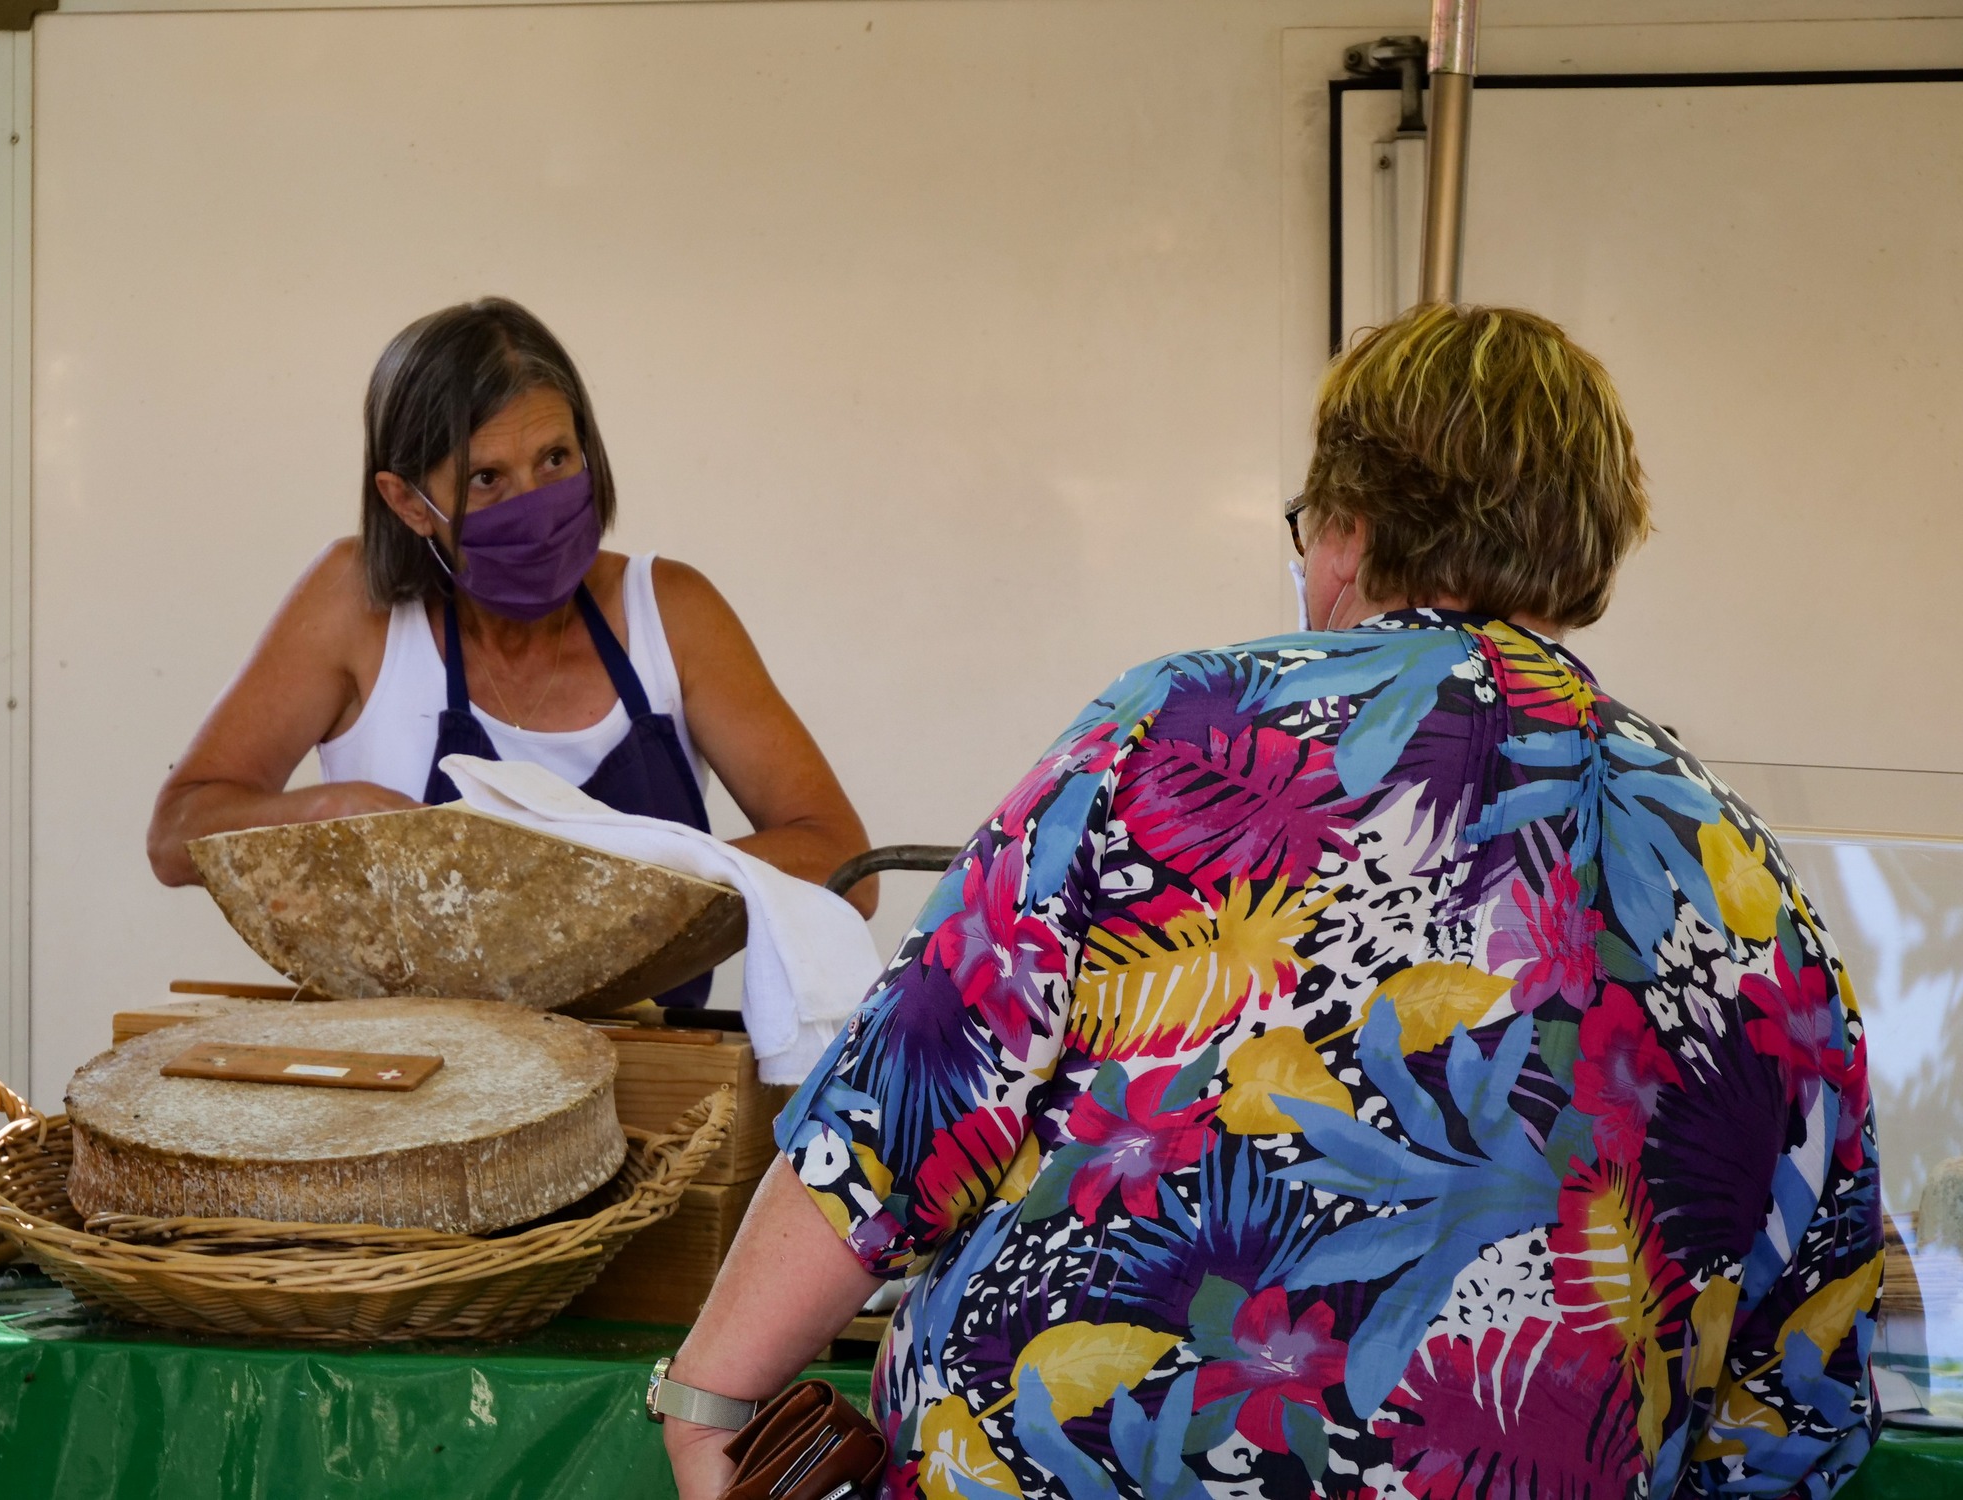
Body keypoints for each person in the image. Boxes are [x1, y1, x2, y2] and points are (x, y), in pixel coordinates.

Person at [656, 304, 1881, 1496]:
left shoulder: (1184, 729)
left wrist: (714, 1396)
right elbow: (1799, 1365)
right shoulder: (1739, 874)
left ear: (1347, 525)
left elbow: (913, 1096)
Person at [148, 299, 875, 999]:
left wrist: (627, 879)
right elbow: (178, 837)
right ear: (407, 502)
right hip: (406, 1081)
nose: (533, 503)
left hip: (651, 1080)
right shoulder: (354, 607)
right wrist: (335, 811)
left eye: (555, 459)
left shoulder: (672, 613)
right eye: (487, 479)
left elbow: (845, 862)